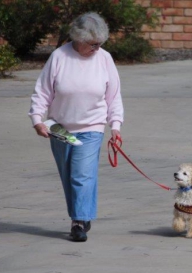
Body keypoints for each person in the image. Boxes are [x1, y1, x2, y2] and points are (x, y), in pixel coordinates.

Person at [28, 12, 124, 242]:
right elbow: (42, 91)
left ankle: (78, 221)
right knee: (69, 175)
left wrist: (116, 126)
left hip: (92, 126)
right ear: (78, 39)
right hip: (59, 127)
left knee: (82, 175)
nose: (97, 48)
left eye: (100, 43)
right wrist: (37, 119)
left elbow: (114, 96)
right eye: (92, 44)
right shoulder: (59, 57)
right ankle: (82, 213)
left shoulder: (104, 59)